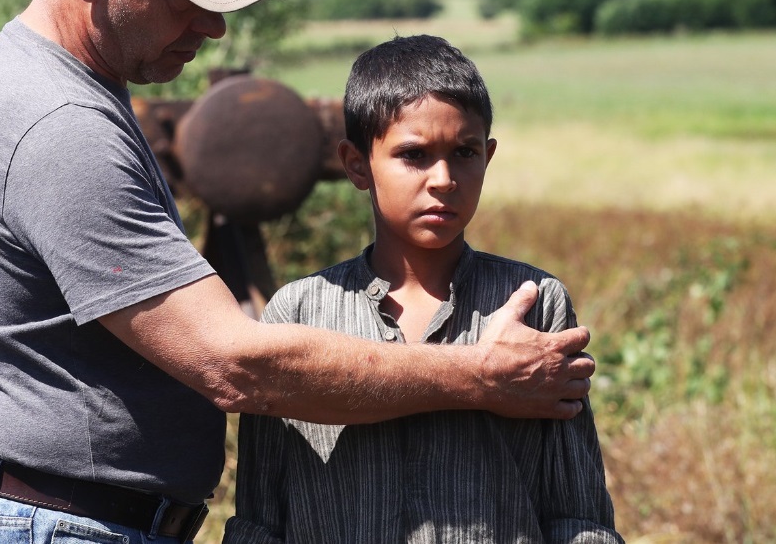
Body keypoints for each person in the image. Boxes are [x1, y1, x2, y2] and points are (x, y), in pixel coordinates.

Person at [0, 0, 596, 544]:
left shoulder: (66, 91)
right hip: (58, 527)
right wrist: (481, 376)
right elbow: (234, 363)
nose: (213, 26)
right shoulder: (59, 124)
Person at [223, 34, 621, 544]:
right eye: (414, 155)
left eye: (464, 152)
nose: (444, 179)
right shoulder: (299, 312)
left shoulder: (532, 305)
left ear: (488, 157)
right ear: (357, 164)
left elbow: (578, 514)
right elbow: (260, 519)